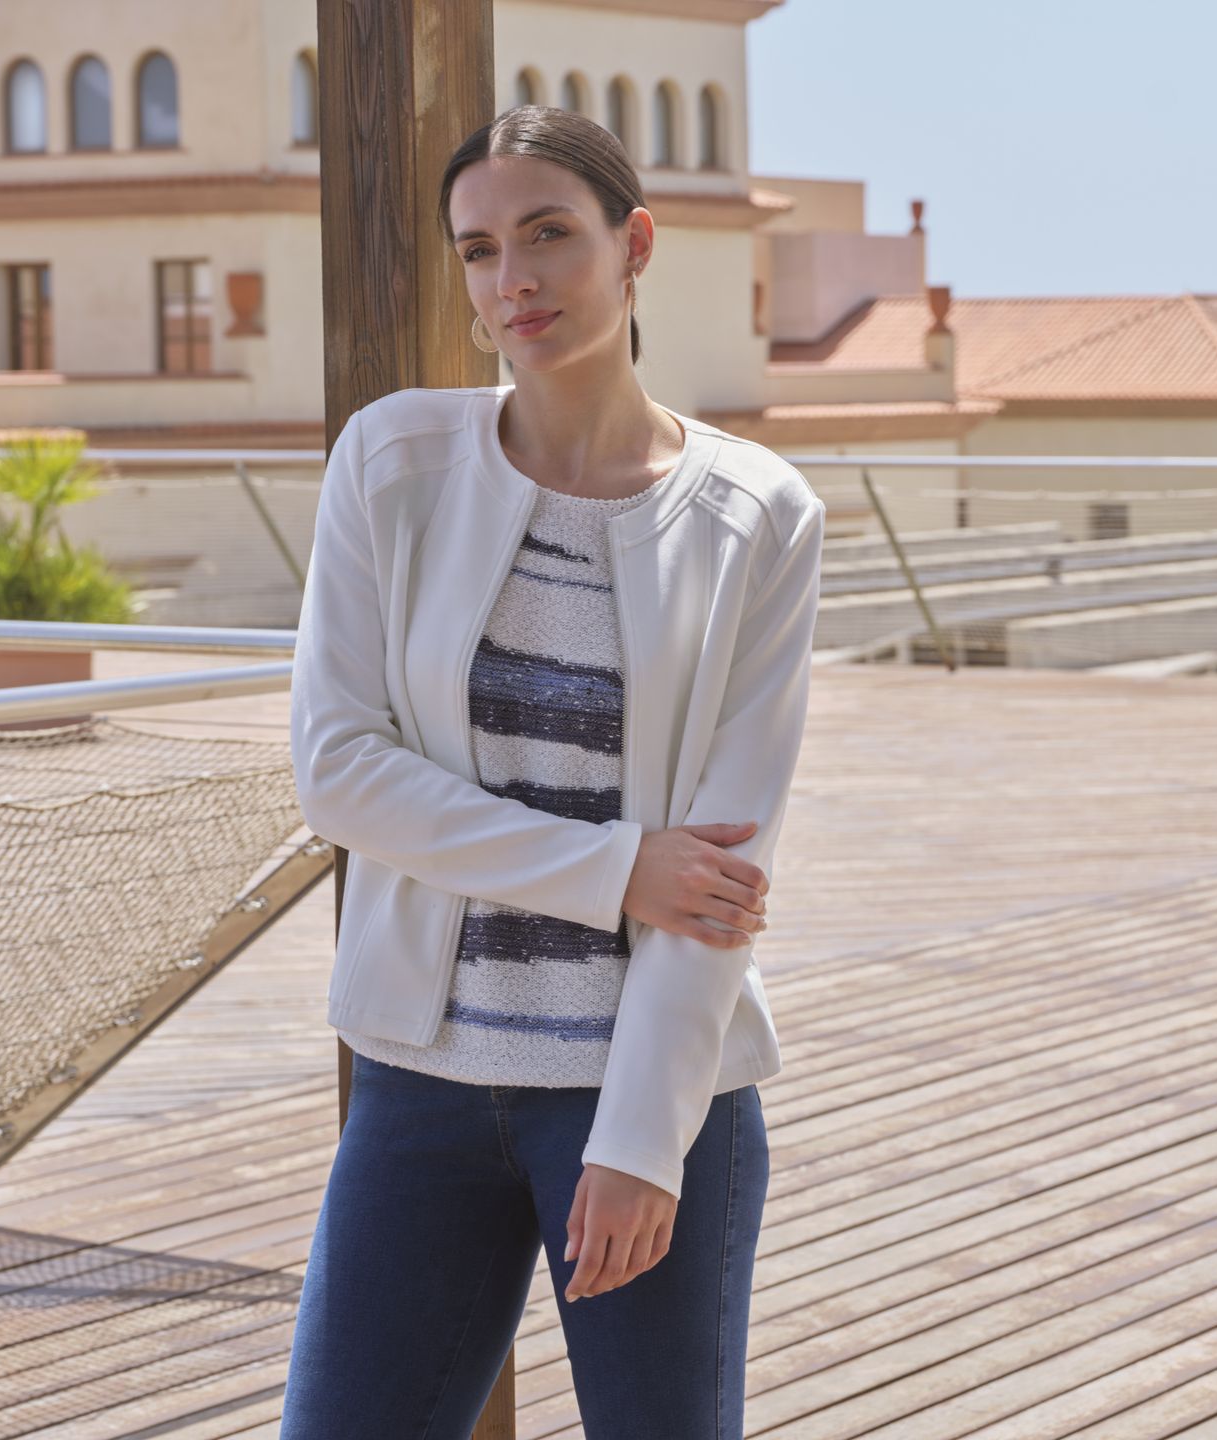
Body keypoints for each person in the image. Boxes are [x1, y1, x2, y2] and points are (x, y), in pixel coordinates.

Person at [279, 104, 825, 1439]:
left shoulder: (758, 515)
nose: (512, 280)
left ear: (634, 246)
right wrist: (614, 869)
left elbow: (723, 871)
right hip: (421, 1090)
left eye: (548, 235)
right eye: (479, 250)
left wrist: (640, 1139)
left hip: (653, 1096)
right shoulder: (393, 461)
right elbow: (338, 771)